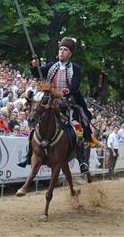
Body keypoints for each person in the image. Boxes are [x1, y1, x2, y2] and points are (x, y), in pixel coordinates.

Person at [18, 37, 92, 174]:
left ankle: (82, 160)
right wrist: (35, 66)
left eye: (65, 50)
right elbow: (37, 72)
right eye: (60, 49)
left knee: (78, 128)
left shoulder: (76, 69)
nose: (62, 52)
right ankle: (28, 155)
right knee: (38, 122)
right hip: (50, 102)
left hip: (68, 104)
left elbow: (74, 87)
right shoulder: (52, 65)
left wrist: (63, 93)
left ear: (70, 54)